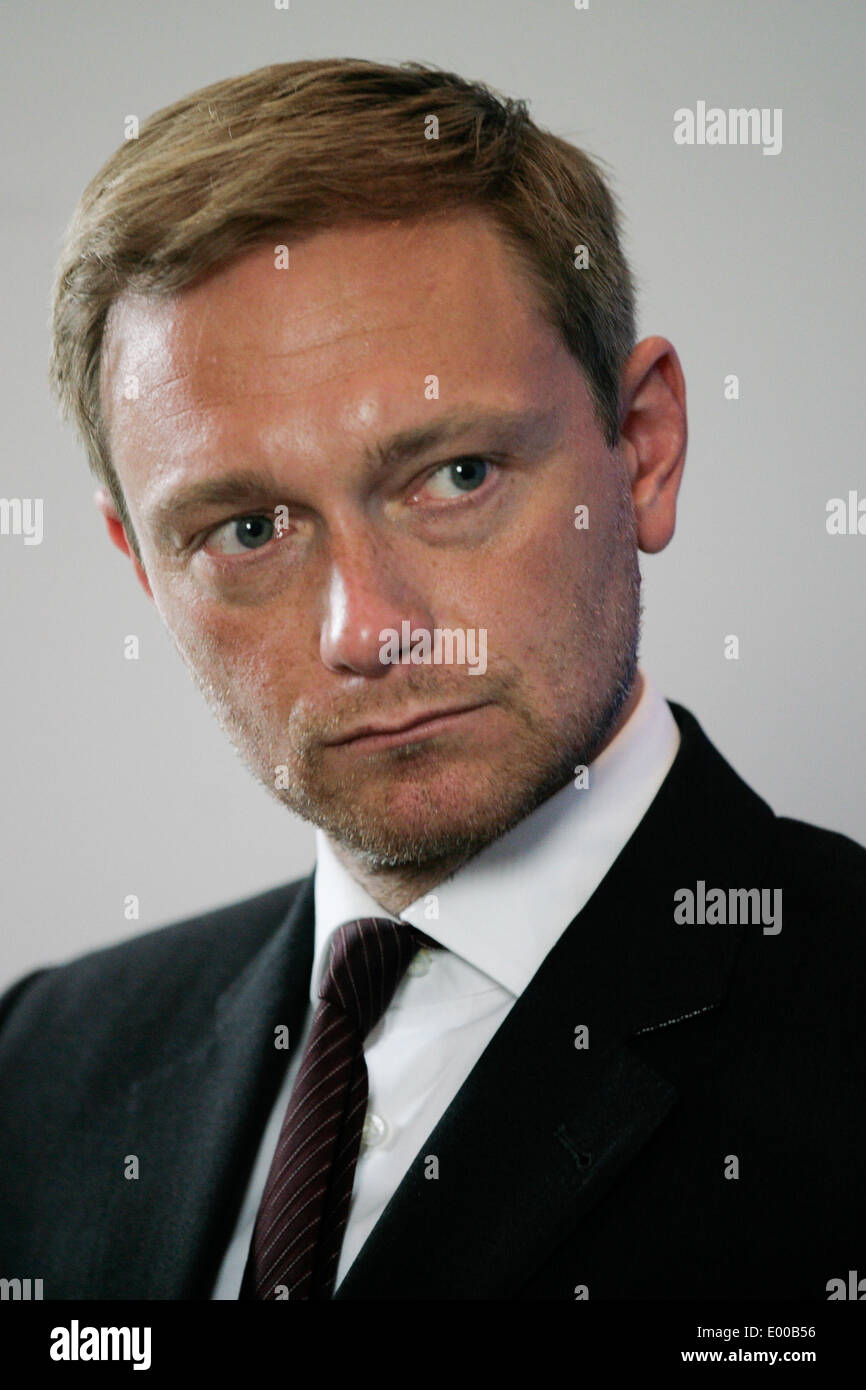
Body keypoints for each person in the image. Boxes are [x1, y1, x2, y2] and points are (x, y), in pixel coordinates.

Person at [0, 57, 862, 1302]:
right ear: (140, 564)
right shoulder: (37, 1066)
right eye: (247, 529)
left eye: (454, 475)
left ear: (645, 451)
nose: (368, 628)